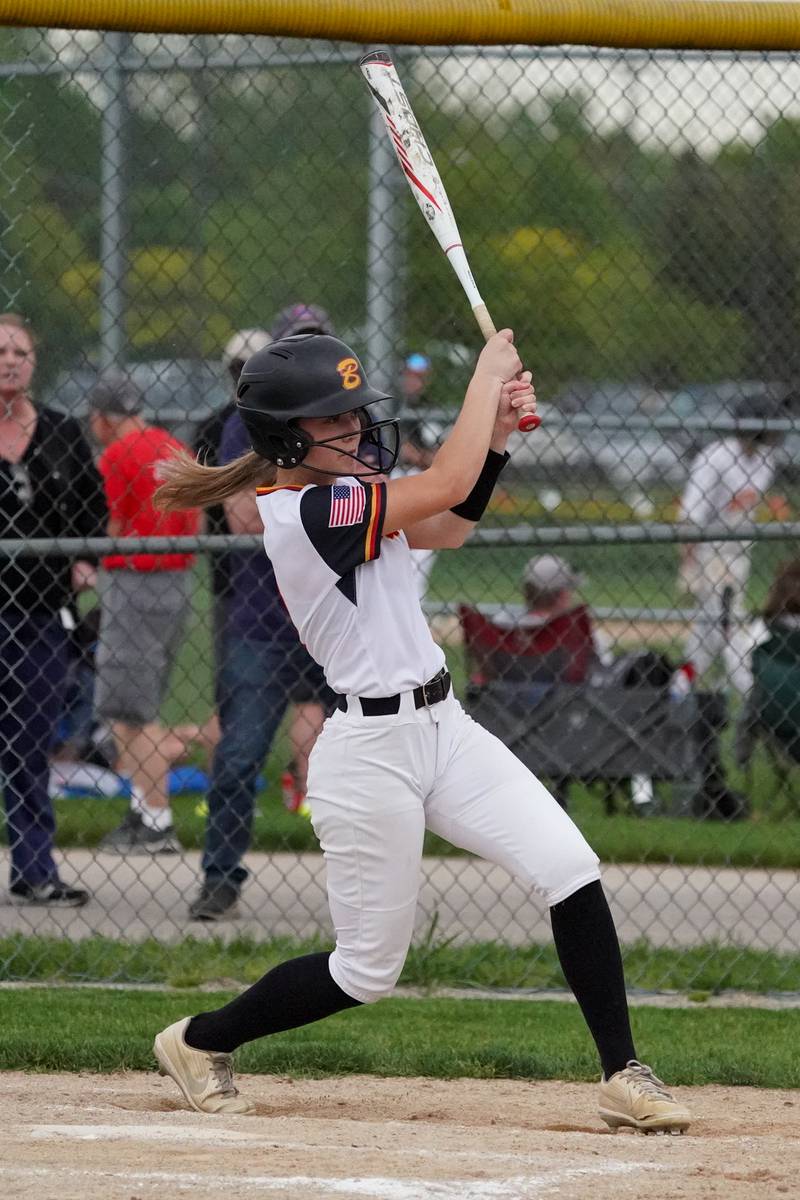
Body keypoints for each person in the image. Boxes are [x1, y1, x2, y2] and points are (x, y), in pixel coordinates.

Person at [150, 330, 690, 1134]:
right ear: (286, 438)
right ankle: (200, 1040)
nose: (355, 428)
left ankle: (623, 1074)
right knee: (367, 970)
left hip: (445, 728)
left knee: (570, 868)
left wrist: (496, 437)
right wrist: (487, 377)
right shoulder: (305, 512)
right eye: (334, 419)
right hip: (369, 756)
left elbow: (450, 522)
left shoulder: (348, 493)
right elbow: (443, 481)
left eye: (352, 414)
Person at [186, 394, 335, 921]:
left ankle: (371, 888)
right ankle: (220, 878)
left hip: (338, 619)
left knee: (372, 757)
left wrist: (285, 481)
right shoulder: (244, 424)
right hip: (262, 625)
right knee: (239, 757)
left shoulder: (347, 415)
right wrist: (319, 477)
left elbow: (367, 504)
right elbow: (247, 519)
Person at [0, 312, 107, 906]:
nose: (10, 361)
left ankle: (34, 869)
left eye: (21, 352)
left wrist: (85, 558)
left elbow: (93, 507)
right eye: (0, 351)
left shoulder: (61, 431)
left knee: (28, 744)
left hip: (41, 612)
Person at [89, 372, 201, 854]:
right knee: (136, 704)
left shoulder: (117, 454)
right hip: (177, 581)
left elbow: (114, 522)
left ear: (101, 418)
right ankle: (143, 807)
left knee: (130, 711)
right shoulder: (175, 447)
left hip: (134, 581)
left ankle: (156, 821)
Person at [679, 393, 785, 693]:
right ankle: (751, 691)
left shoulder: (765, 460)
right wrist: (688, 563)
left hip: (740, 552)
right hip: (710, 551)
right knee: (728, 622)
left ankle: (680, 686)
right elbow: (690, 515)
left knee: (706, 631)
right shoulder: (715, 458)